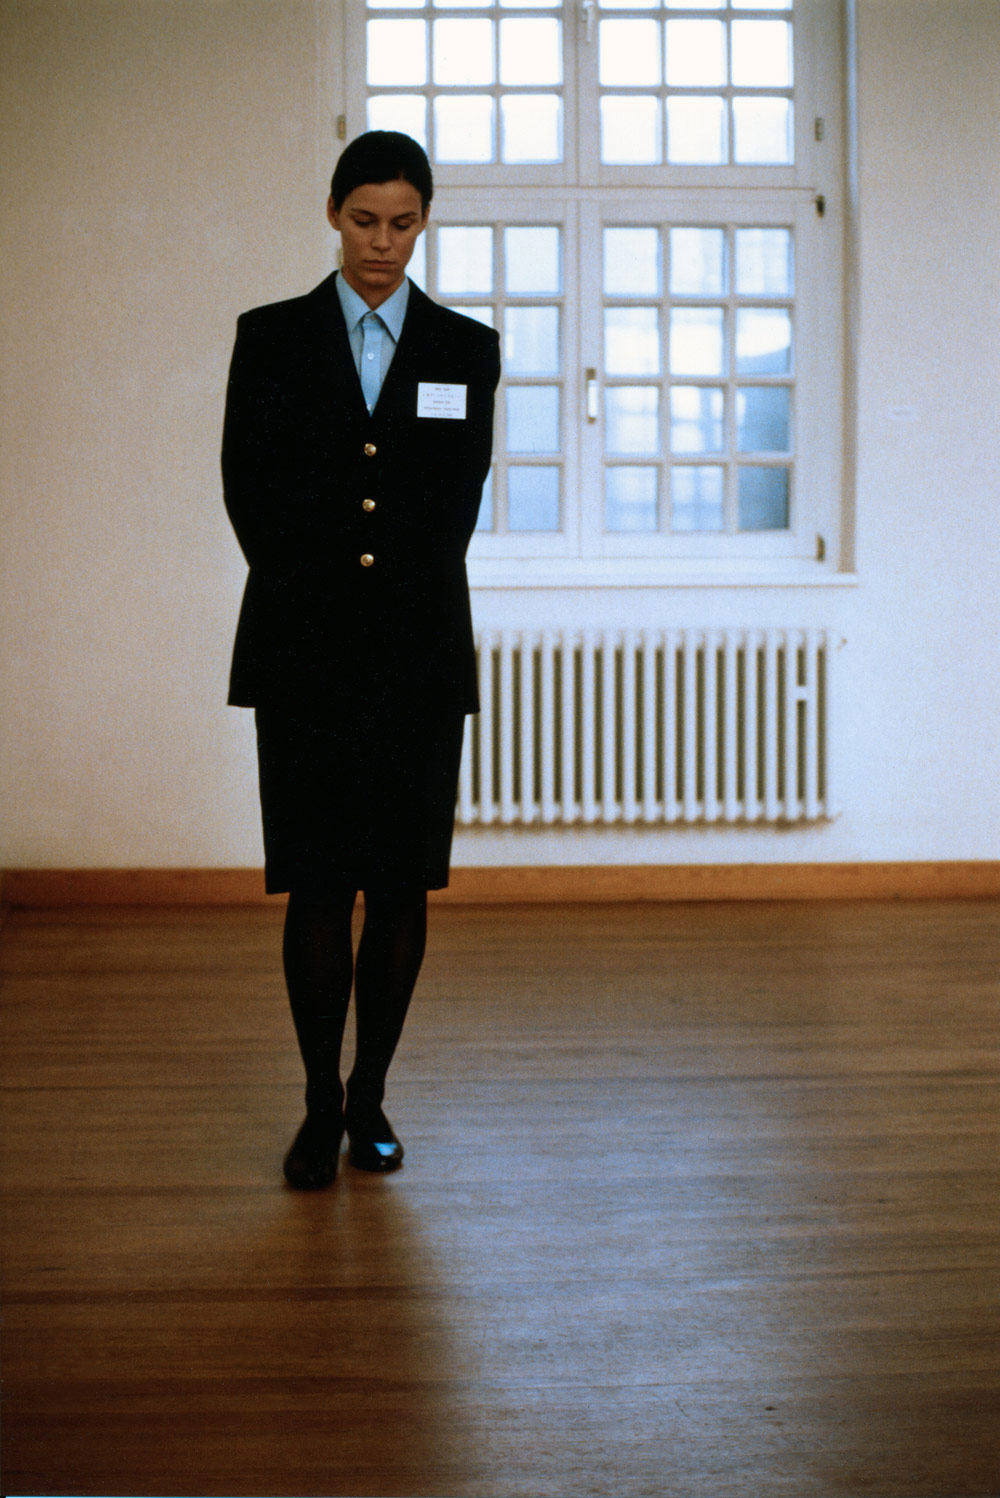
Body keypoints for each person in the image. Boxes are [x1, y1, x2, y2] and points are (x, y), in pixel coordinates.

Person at [221, 131, 501, 1188]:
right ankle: (315, 1104)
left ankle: (372, 1098)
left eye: (402, 222)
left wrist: (384, 626)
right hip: (304, 657)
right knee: (316, 884)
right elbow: (250, 490)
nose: (382, 244)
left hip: (419, 660)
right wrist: (327, 618)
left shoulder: (465, 349)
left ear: (422, 221)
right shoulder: (272, 337)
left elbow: (451, 503)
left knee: (397, 888)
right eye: (362, 219)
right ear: (332, 213)